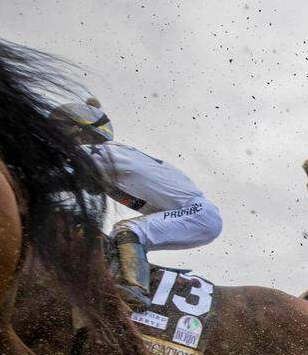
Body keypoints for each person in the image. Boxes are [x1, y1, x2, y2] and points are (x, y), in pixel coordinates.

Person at [48, 98, 223, 310]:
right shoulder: (110, 159)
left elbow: (54, 166)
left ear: (80, 131)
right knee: (116, 238)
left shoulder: (106, 152)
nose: (59, 140)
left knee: (128, 229)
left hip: (198, 214)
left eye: (62, 133)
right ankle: (126, 282)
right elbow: (65, 182)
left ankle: (136, 289)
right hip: (195, 214)